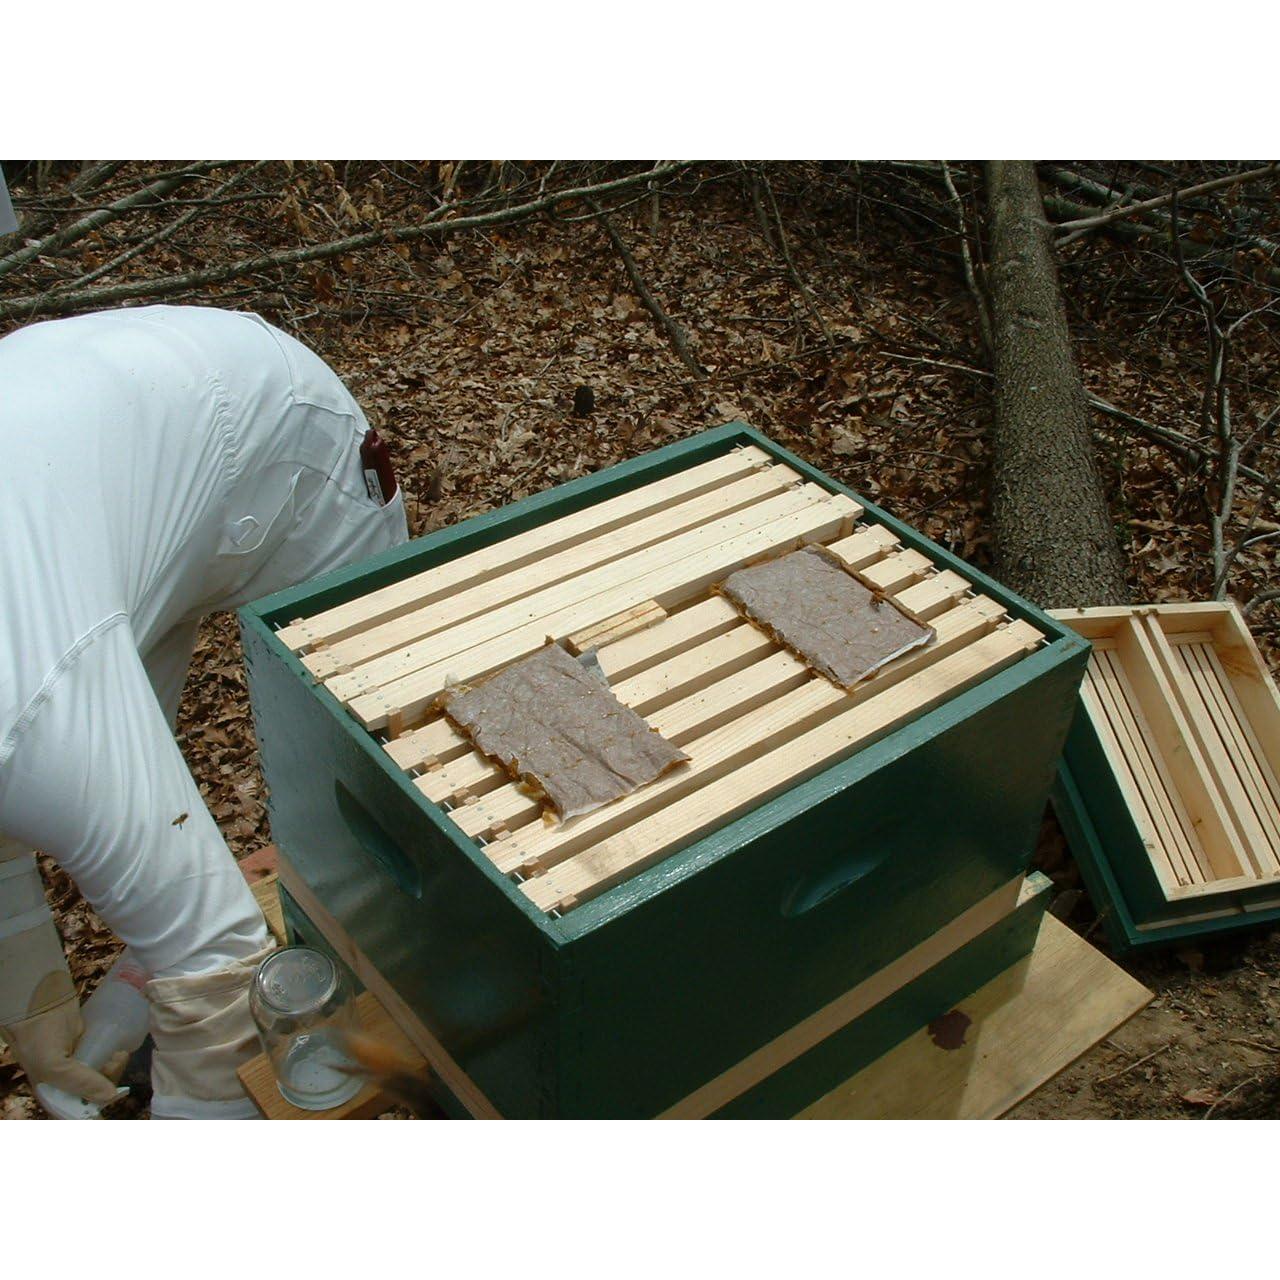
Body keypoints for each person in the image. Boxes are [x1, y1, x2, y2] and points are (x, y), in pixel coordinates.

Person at [0, 305, 408, 1117]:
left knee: (374, 736)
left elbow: (222, 967)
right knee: (144, 838)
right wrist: (38, 1003)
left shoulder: (31, 711)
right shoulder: (35, 697)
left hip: (280, 440)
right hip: (109, 491)